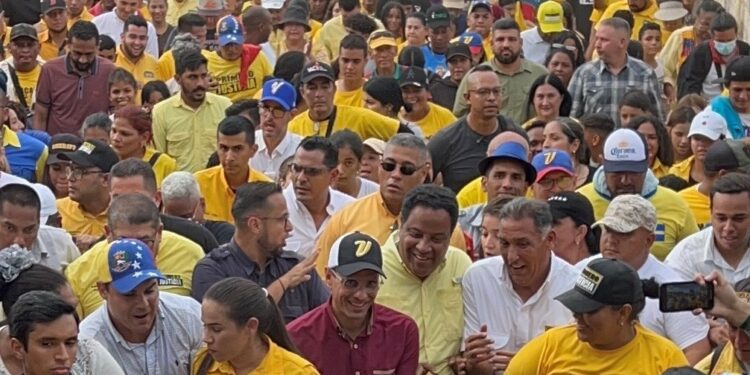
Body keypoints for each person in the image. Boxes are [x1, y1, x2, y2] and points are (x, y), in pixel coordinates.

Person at [580, 194, 712, 363]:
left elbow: (697, 349)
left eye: (623, 233)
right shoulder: (581, 271)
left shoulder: (672, 288)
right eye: (607, 229)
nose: (610, 240)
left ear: (649, 240)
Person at [314, 134, 468, 275]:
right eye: (389, 166)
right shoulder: (346, 218)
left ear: (423, 173)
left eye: (406, 169)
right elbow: (322, 277)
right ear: (380, 166)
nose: (395, 175)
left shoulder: (446, 230)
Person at [505, 257, 689, 373]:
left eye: (589, 310)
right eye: (576, 306)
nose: (577, 316)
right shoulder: (551, 345)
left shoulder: (664, 358)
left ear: (623, 313)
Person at [462, 198, 579, 374]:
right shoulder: (478, 278)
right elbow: (474, 364)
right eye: (505, 244)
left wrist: (525, 367)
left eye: (523, 245)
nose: (512, 256)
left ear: (550, 240)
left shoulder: (575, 287)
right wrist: (475, 366)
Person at [191, 181, 330, 322]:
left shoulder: (297, 267)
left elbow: (329, 319)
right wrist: (283, 283)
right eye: (282, 219)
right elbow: (238, 325)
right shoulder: (213, 270)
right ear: (255, 225)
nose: (289, 227)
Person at [287, 231, 419, 373]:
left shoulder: (403, 331)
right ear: (328, 277)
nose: (361, 295)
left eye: (371, 284)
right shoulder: (296, 337)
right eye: (351, 283)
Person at [375, 185, 472, 375]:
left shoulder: (460, 264)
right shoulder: (373, 269)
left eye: (436, 239)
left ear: (451, 235)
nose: (423, 247)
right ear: (400, 224)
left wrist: (464, 358)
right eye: (416, 234)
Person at [65, 190, 204, 316]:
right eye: (124, 241)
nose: (137, 249)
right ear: (108, 234)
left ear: (159, 232)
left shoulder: (190, 253)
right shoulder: (79, 270)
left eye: (144, 241)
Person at [78, 238, 202, 374]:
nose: (143, 304)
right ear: (103, 290)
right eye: (129, 294)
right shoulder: (87, 342)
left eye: (150, 291)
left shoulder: (189, 315)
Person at [577, 128, 698, 260]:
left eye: (633, 173)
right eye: (617, 173)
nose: (625, 181)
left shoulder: (676, 205)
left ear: (647, 163)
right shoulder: (580, 201)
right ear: (602, 163)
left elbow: (694, 258)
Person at [0, 249, 123, 374]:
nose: (63, 356)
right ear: (18, 347)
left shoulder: (87, 351)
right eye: (47, 344)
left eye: (70, 343)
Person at [193, 277, 319, 374]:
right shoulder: (202, 362)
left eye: (216, 329)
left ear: (251, 326)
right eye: (205, 326)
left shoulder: (298, 371)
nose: (206, 338)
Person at [430, 65, 524, 193]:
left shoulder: (514, 135)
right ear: (467, 98)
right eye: (483, 92)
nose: (491, 98)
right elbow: (421, 180)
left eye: (496, 91)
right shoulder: (446, 140)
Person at [568, 17, 664, 125]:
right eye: (597, 39)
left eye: (604, 40)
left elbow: (658, 120)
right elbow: (571, 120)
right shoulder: (583, 73)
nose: (597, 45)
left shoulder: (645, 73)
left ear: (622, 42)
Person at [453, 19, 548, 125]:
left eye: (512, 39)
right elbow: (459, 116)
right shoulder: (475, 76)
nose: (506, 44)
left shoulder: (540, 74)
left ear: (521, 43)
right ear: (492, 44)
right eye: (500, 39)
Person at [152, 51, 232, 172]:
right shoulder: (161, 112)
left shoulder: (225, 106)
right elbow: (160, 159)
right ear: (178, 79)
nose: (200, 83)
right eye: (192, 77)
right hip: (178, 187)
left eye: (203, 76)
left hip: (216, 185)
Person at [458, 135, 535, 258]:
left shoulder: (536, 227)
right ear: (484, 183)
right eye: (499, 176)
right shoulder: (461, 223)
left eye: (515, 177)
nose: (507, 184)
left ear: (526, 188)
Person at [666, 173, 750, 284]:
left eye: (738, 219)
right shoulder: (685, 256)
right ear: (711, 214)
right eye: (721, 218)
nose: (728, 227)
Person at [33, 21, 115, 135]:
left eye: (89, 54)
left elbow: (115, 112)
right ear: (68, 44)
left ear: (98, 47)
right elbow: (40, 115)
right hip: (58, 146)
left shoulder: (109, 71)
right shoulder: (50, 70)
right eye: (77, 53)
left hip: (94, 147)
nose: (83, 60)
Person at [288, 61, 402, 140]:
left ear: (334, 89)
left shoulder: (359, 117)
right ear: (302, 92)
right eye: (312, 88)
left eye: (325, 87)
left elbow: (403, 132)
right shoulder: (293, 127)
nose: (319, 94)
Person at [282, 136, 354, 256]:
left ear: (333, 176)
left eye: (312, 172)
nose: (301, 178)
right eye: (297, 169)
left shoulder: (350, 210)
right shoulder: (272, 210)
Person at [194, 116, 271, 224]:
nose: (229, 157)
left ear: (253, 150)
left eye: (237, 149)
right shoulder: (198, 184)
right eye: (224, 148)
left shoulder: (267, 190)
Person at [0, 183, 79, 272]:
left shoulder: (62, 244)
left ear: (38, 224)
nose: (19, 241)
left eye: (29, 230)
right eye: (10, 228)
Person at [55, 140, 119, 250]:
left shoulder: (124, 214)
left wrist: (100, 243)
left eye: (80, 172)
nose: (70, 178)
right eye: (70, 170)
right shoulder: (58, 210)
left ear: (105, 179)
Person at [659, 0, 723, 103]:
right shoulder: (680, 36)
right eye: (705, 24)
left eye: (713, 26)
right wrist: (669, 85)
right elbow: (664, 66)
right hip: (682, 99)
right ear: (696, 19)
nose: (708, 29)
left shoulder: (721, 42)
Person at [678, 12, 750, 100]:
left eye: (730, 40)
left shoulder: (745, 51)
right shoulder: (700, 53)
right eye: (720, 41)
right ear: (711, 36)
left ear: (736, 34)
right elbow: (689, 86)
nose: (725, 45)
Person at [207, 16, 271, 102]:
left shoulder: (257, 56)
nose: (232, 49)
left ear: (244, 37)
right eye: (227, 44)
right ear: (216, 38)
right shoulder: (206, 62)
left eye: (236, 43)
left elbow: (271, 84)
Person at [160, 171, 235, 244]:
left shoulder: (224, 234)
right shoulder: (158, 235)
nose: (179, 224)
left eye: (186, 217)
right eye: (171, 218)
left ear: (202, 204)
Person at [111, 105, 176, 187]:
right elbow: (89, 145)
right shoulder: (101, 155)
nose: (115, 138)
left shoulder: (164, 163)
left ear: (145, 137)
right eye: (113, 131)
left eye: (125, 134)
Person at [251, 79, 302, 180]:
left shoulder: (300, 149)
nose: (269, 117)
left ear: (292, 115)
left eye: (278, 110)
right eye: (265, 108)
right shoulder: (248, 143)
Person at [667, 109, 728, 186]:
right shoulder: (675, 172)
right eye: (697, 138)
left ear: (723, 140)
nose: (701, 144)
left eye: (709, 139)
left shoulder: (733, 174)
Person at [399, 66, 456, 139]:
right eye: (406, 91)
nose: (411, 96)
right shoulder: (394, 118)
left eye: (416, 90)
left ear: (428, 93)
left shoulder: (445, 117)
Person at [93, 0, 160, 57]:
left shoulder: (149, 28)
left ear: (139, 3)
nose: (127, 9)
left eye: (133, 4)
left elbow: (152, 61)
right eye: (124, 3)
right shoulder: (97, 23)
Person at [0, 24, 43, 111]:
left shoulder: (50, 72)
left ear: (39, 47)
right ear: (9, 48)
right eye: (19, 45)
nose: (25, 50)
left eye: (30, 45)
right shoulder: (1, 72)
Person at [548, 191, 599, 265]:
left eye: (553, 224)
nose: (544, 230)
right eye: (542, 223)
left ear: (580, 232)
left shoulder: (602, 272)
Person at [155, 13, 208, 82]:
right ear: (184, 37)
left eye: (205, 36)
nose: (204, 41)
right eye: (198, 37)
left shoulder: (208, 56)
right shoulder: (165, 61)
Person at [542, 118, 593, 188]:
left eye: (554, 138)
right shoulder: (537, 176)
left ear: (574, 145)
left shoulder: (596, 179)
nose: (545, 145)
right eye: (544, 139)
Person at [709, 56, 750, 139]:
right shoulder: (714, 111)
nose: (743, 96)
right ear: (727, 87)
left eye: (749, 90)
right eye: (737, 90)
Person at [329, 130, 378, 198]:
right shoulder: (319, 193)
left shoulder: (375, 193)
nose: (340, 170)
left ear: (359, 163)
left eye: (348, 163)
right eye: (335, 162)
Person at [114, 15, 159, 87]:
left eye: (142, 38)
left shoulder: (154, 63)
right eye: (132, 37)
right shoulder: (111, 59)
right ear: (122, 37)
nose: (137, 42)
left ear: (147, 39)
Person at [429, 42, 474, 110]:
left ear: (471, 62)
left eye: (462, 60)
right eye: (453, 61)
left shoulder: (478, 86)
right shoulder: (436, 90)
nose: (458, 65)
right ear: (447, 65)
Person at [520, 0, 564, 65]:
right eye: (546, 30)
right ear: (536, 21)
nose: (550, 34)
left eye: (554, 31)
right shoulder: (523, 39)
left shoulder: (568, 39)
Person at [42, 134, 82, 199]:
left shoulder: (89, 203)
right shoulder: (38, 198)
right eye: (56, 168)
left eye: (70, 169)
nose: (63, 176)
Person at [334, 34, 368, 108]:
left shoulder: (372, 93)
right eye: (345, 61)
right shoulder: (330, 92)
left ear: (365, 61)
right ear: (339, 60)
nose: (350, 67)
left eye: (356, 61)